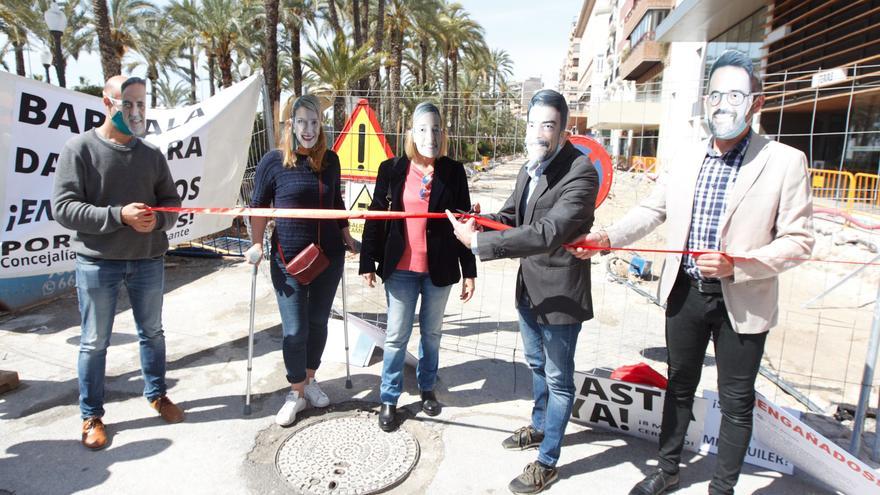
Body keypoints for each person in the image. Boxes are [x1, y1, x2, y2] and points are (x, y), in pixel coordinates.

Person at [568, 50, 814, 495]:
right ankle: (667, 470)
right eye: (715, 94)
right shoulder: (686, 155)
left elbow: (799, 242)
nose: (723, 104)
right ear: (705, 101)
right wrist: (606, 238)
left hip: (743, 299)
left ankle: (722, 488)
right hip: (686, 293)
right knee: (679, 387)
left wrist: (738, 265)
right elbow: (652, 210)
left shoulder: (783, 161)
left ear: (756, 103)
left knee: (737, 402)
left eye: (735, 95)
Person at [447, 89, 598, 494]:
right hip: (529, 289)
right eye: (533, 124)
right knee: (535, 364)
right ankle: (538, 425)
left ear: (564, 130)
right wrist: (480, 222)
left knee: (559, 378)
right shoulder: (530, 167)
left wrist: (479, 246)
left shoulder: (581, 172)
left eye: (548, 125)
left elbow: (549, 233)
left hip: (561, 293)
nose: (538, 132)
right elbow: (513, 215)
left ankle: (548, 460)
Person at [53, 75, 185, 450]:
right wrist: (118, 216)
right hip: (98, 264)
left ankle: (157, 395)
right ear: (107, 103)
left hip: (147, 261)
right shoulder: (78, 149)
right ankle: (91, 416)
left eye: (142, 104)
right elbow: (63, 208)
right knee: (94, 343)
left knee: (153, 333)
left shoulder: (151, 155)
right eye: (128, 103)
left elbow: (171, 204)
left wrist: (156, 220)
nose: (136, 111)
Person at [359, 102, 477, 432]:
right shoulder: (392, 169)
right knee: (396, 336)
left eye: (437, 128)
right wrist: (368, 259)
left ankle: (427, 388)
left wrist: (469, 270)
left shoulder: (453, 171)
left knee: (432, 334)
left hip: (439, 269)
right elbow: (376, 217)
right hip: (401, 269)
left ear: (444, 134)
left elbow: (464, 223)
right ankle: (389, 398)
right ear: (411, 132)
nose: (431, 135)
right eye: (423, 128)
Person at [246, 94, 358, 427]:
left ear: (320, 125)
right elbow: (258, 207)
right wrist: (255, 244)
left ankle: (310, 381)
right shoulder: (273, 162)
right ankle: (294, 393)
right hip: (288, 261)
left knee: (318, 324)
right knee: (294, 331)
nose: (308, 129)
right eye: (301, 122)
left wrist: (345, 233)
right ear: (290, 125)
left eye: (314, 122)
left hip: (328, 259)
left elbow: (336, 201)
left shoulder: (331, 160)